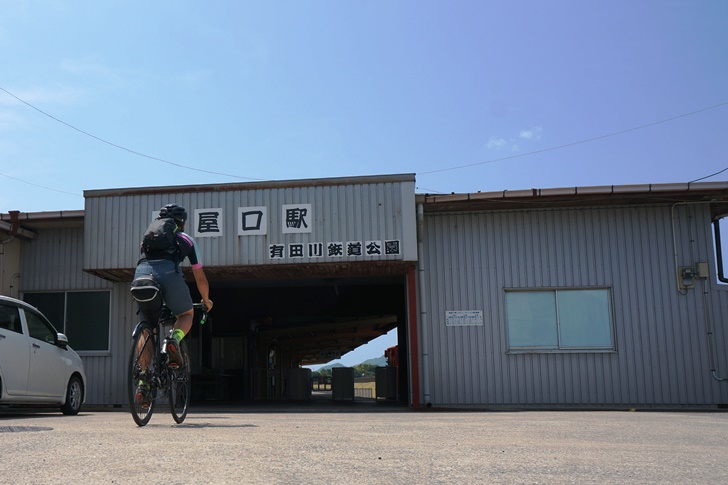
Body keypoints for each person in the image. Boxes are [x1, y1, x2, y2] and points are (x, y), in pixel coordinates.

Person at [134, 203, 213, 407]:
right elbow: (200, 277)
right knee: (186, 314)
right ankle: (174, 341)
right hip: (168, 274)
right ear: (182, 223)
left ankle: (143, 381)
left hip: (141, 275)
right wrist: (206, 300)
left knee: (147, 329)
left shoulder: (148, 237)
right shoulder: (185, 239)